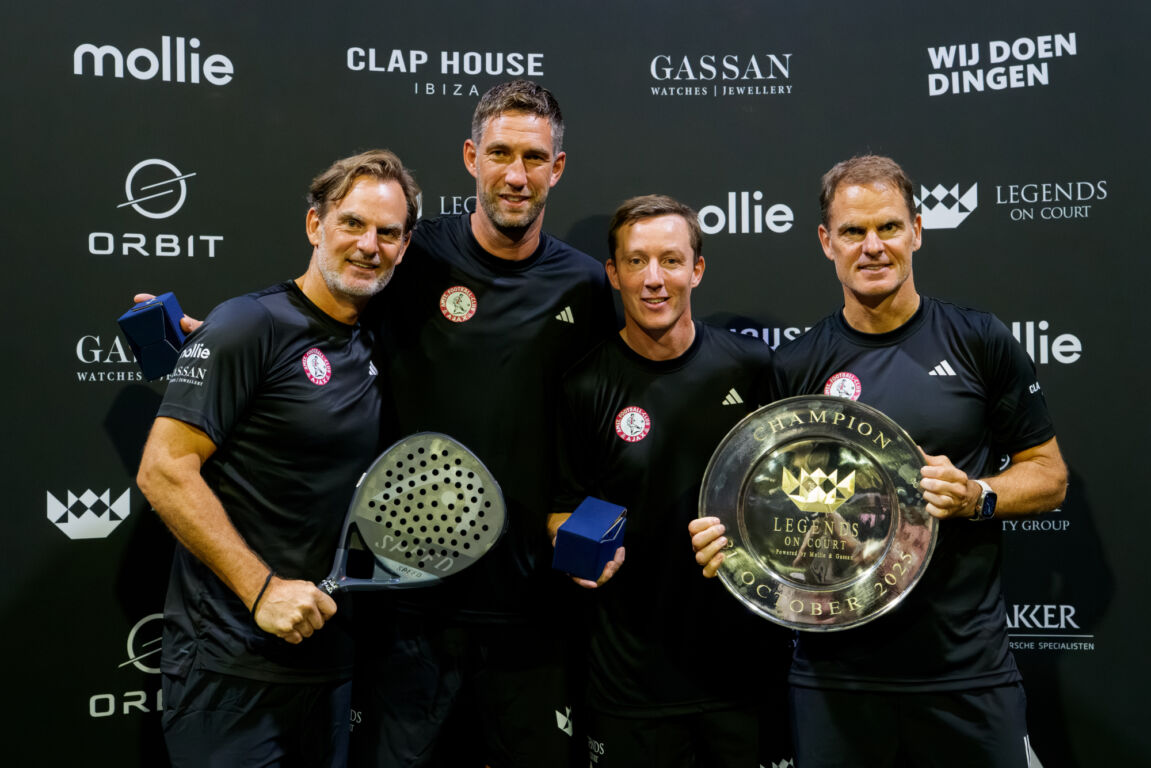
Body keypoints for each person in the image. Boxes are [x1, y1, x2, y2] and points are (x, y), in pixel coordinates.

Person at [690, 155, 1068, 767]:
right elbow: (767, 506)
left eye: (888, 227)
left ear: (917, 230)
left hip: (966, 670)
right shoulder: (796, 366)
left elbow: (1049, 475)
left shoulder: (978, 339)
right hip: (836, 677)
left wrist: (978, 494)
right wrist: (727, 542)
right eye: (853, 231)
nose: (873, 247)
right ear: (825, 242)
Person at [349, 79, 617, 768]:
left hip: (532, 613)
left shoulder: (586, 288)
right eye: (500, 153)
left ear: (556, 169)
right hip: (408, 604)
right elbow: (318, 320)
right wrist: (229, 343)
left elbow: (617, 425)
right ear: (471, 156)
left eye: (533, 158)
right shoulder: (412, 257)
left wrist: (593, 524)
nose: (515, 175)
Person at [135, 150, 419, 767]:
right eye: (352, 223)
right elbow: (163, 468)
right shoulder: (248, 323)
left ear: (404, 246)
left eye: (388, 232)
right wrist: (259, 588)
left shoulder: (374, 337)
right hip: (230, 671)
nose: (370, 244)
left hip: (328, 668)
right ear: (316, 225)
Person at [549, 195, 791, 768]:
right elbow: (563, 511)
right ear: (613, 273)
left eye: (671, 261)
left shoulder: (752, 369)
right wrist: (581, 553)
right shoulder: (584, 386)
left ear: (697, 270)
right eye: (636, 262)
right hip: (629, 682)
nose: (654, 280)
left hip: (743, 675)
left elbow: (791, 499)